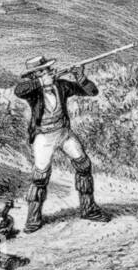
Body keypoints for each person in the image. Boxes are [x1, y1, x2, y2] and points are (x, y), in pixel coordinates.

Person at [13, 55, 109, 232]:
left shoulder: (62, 85)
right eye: (43, 71)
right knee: (40, 177)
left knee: (84, 165)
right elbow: (18, 91)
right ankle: (33, 219)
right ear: (35, 76)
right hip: (44, 137)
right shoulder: (32, 90)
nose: (50, 72)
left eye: (48, 70)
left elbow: (92, 92)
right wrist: (42, 83)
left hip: (64, 133)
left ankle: (89, 209)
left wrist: (80, 76)